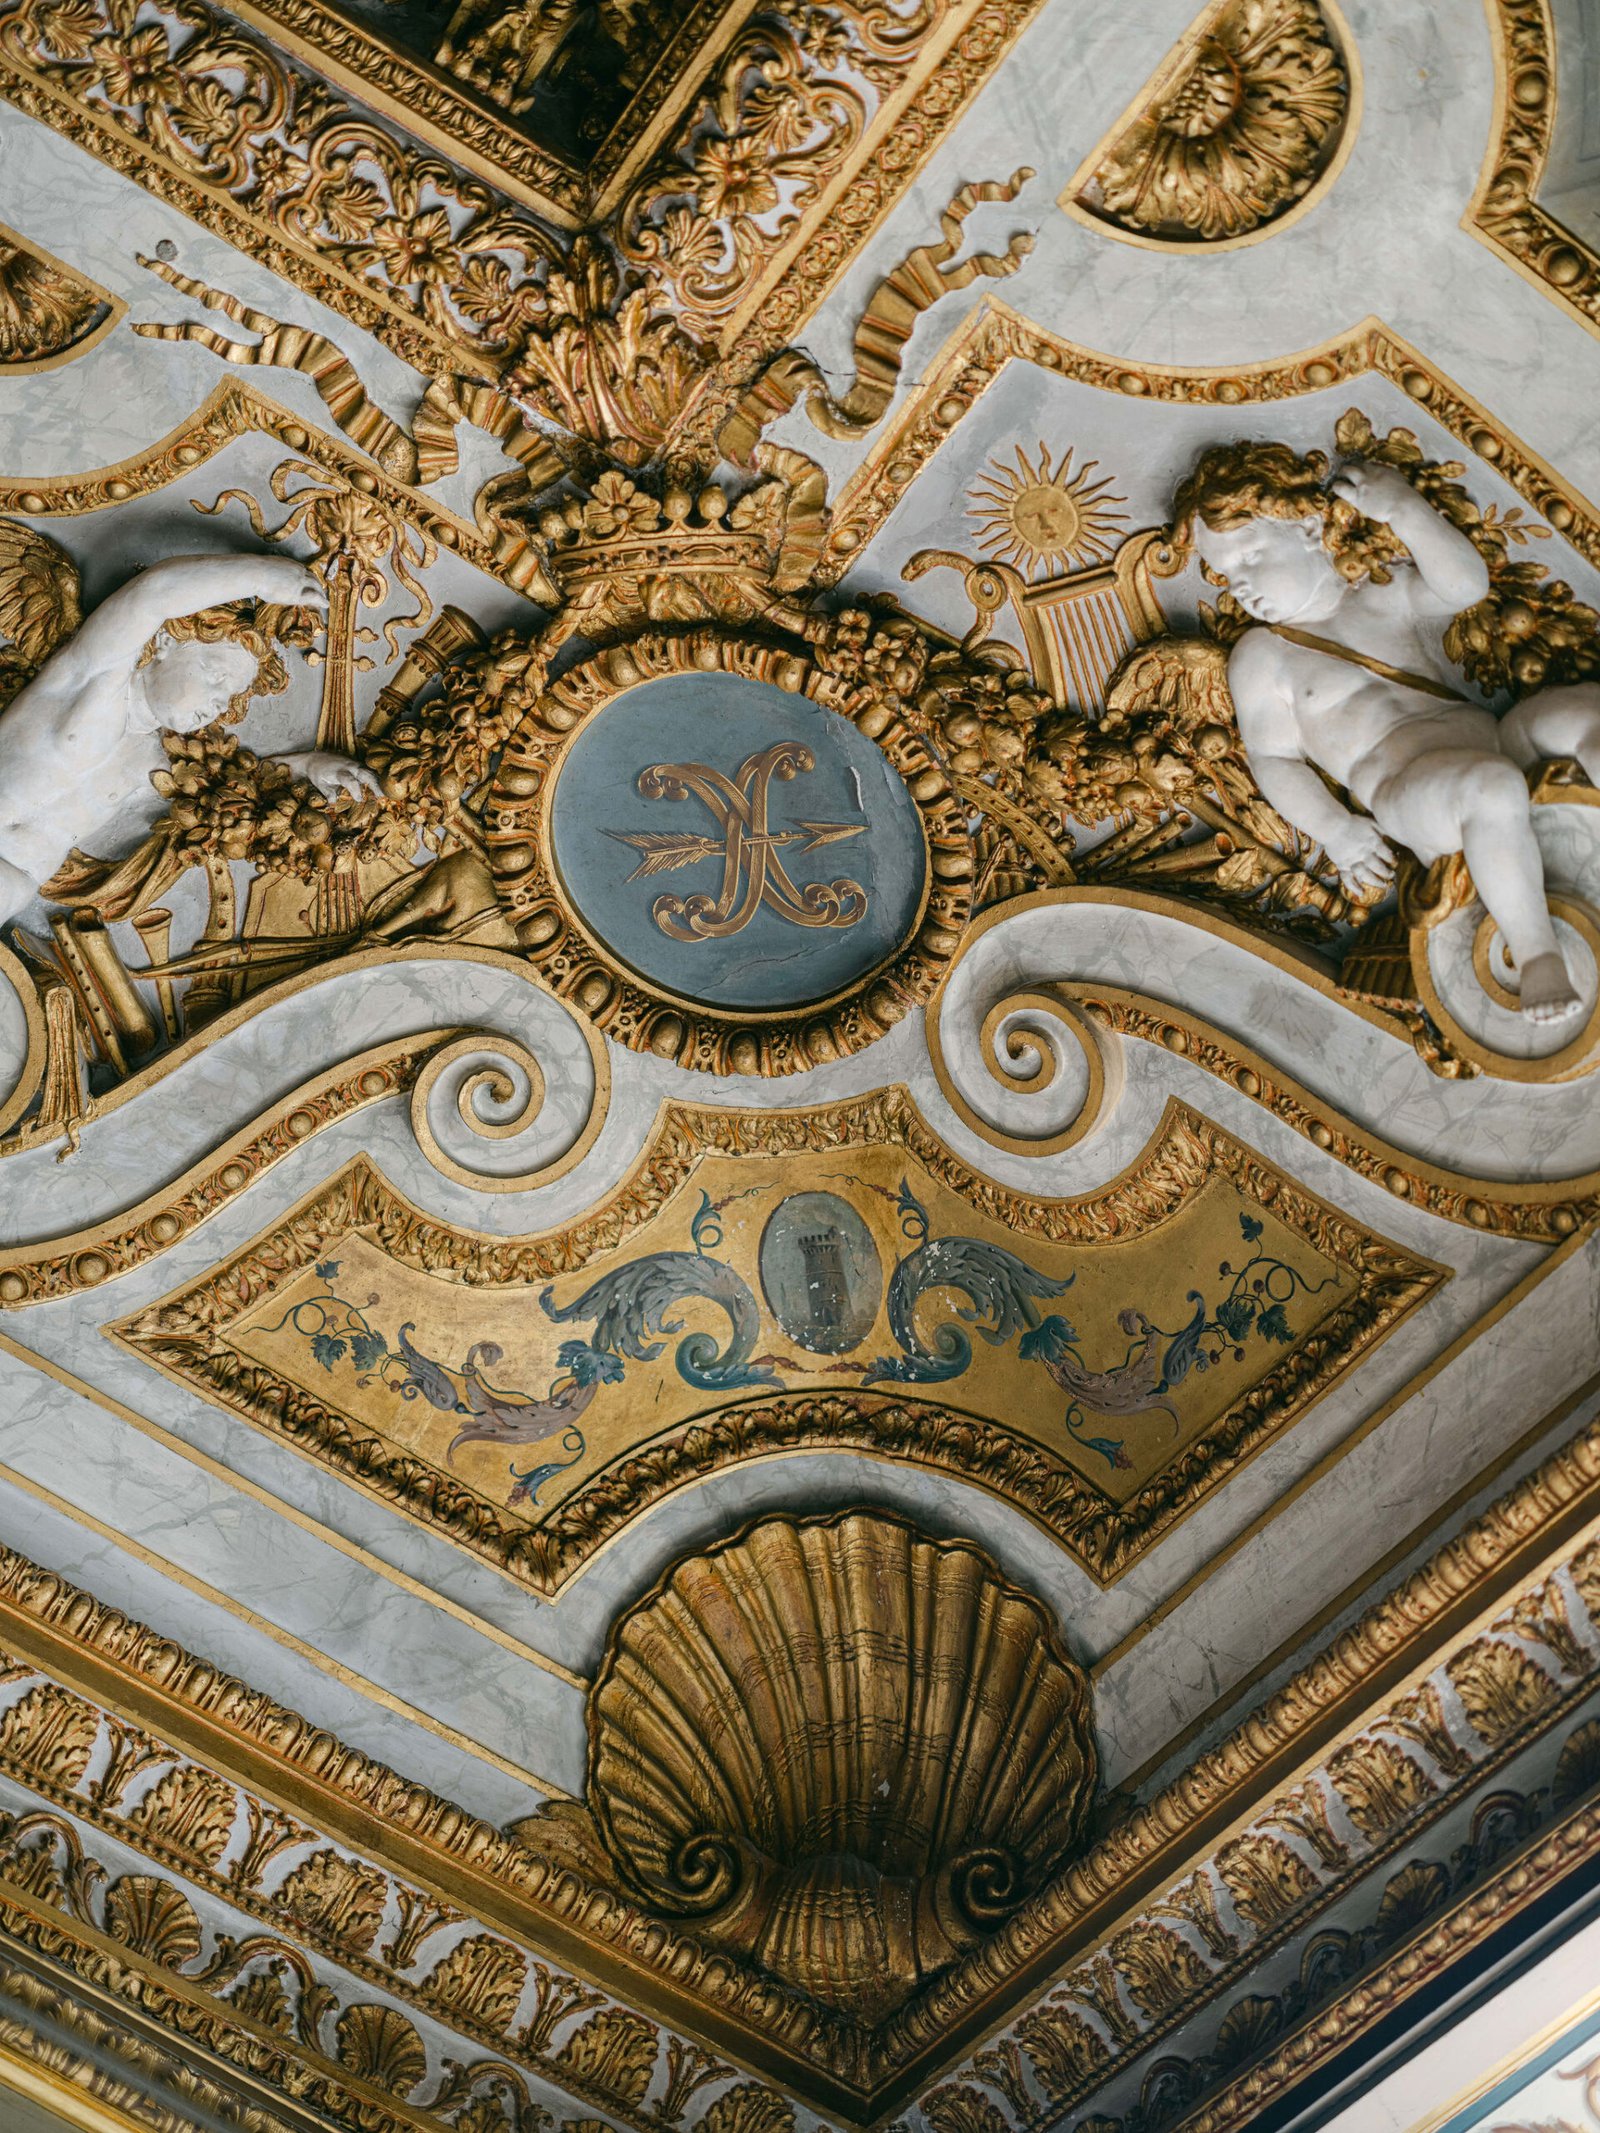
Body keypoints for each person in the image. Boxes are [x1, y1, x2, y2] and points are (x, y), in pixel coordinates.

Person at [1177, 441, 1600, 1022]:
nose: (1238, 586)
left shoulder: (1375, 588)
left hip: (1494, 735)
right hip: (1409, 791)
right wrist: (1336, 830)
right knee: (1490, 787)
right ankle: (1536, 955)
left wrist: (1404, 510)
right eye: (1224, 575)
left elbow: (1463, 588)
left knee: (1583, 714)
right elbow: (1274, 760)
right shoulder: (1263, 655)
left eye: (1248, 558)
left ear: (1305, 525)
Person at [0, 551, 378, 927]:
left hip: (13, 890)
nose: (218, 702)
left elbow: (239, 790)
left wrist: (310, 765)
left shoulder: (157, 762)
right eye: (214, 676)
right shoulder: (91, 680)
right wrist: (259, 576)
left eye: (229, 695)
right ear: (165, 644)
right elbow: (150, 597)